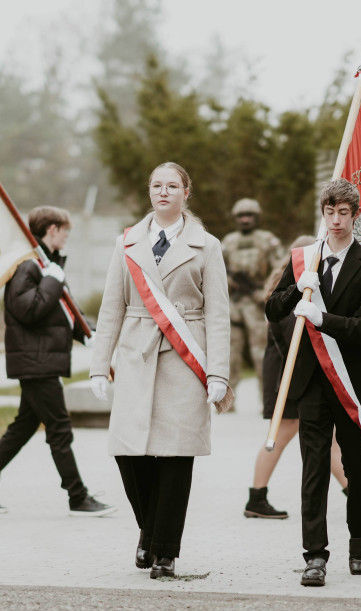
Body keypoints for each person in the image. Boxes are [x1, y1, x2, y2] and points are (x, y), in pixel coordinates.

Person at [89, 162, 231, 579]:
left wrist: (219, 373)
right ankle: (149, 532)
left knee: (175, 455)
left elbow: (218, 313)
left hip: (186, 359)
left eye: (172, 185)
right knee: (128, 453)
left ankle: (164, 550)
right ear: (149, 191)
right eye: (156, 185)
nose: (163, 191)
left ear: (187, 192)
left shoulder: (208, 246)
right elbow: (111, 307)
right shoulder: (127, 243)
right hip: (136, 353)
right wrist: (100, 365)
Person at [265, 179, 361, 587]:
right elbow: (271, 308)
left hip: (350, 380)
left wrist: (322, 319)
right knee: (313, 466)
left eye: (343, 213)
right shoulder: (304, 259)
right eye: (329, 212)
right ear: (323, 213)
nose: (335, 220)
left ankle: (359, 537)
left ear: (355, 216)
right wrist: (296, 291)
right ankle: (314, 555)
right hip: (312, 380)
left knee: (355, 463)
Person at [0, 206, 114, 518]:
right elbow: (28, 310)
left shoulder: (48, 265)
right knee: (59, 428)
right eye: (64, 229)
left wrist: (86, 333)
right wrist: (52, 280)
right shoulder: (28, 266)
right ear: (51, 230)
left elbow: (61, 310)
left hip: (41, 359)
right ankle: (78, 496)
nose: (67, 235)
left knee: (25, 426)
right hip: (36, 361)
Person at [246, 236, 361, 520]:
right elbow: (296, 338)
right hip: (287, 380)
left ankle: (354, 489)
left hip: (295, 378)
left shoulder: (306, 291)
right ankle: (256, 497)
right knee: (279, 436)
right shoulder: (294, 294)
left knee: (329, 442)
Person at [221, 198, 283, 407]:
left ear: (257, 217)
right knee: (229, 355)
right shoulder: (228, 242)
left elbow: (280, 270)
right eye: (241, 216)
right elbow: (217, 271)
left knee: (261, 354)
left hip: (257, 305)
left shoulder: (267, 240)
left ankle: (268, 400)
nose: (245, 219)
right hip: (234, 305)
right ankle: (225, 402)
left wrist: (265, 293)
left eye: (249, 215)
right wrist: (229, 283)